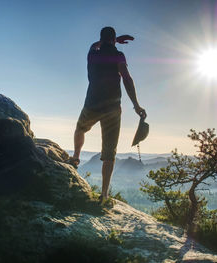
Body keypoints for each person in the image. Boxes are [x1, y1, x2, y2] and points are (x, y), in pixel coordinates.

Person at [69, 26, 146, 203]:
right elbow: (127, 79)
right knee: (110, 152)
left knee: (80, 129)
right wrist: (136, 105)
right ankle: (104, 195)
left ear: (101, 39)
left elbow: (94, 44)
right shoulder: (118, 56)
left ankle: (76, 157)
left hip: (92, 104)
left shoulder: (93, 54)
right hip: (112, 108)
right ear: (113, 40)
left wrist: (112, 40)